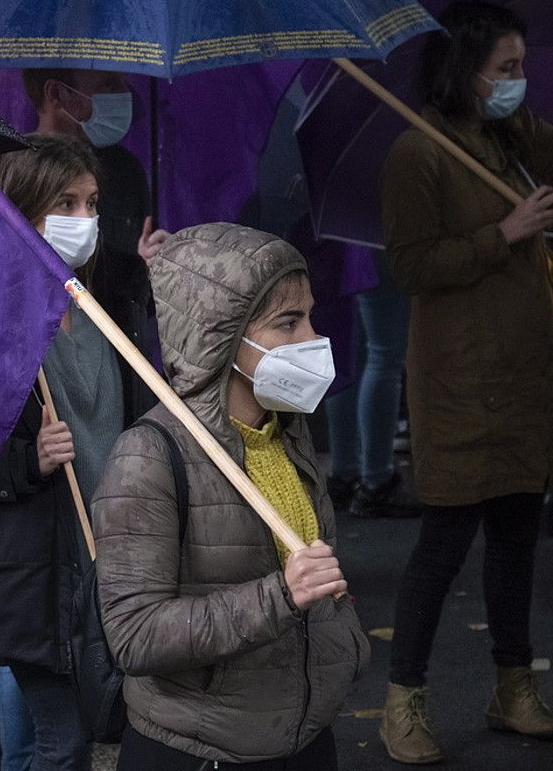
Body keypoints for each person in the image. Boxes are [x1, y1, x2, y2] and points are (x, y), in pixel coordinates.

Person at [375, 0, 553, 765]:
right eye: (505, 69)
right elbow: (410, 265)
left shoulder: (511, 136)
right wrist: (501, 234)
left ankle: (513, 687)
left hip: (526, 371)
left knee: (516, 539)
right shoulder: (419, 154)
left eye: (520, 67)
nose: (517, 82)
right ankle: (403, 700)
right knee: (443, 545)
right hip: (461, 383)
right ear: (465, 71)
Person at [93, 222, 369, 769]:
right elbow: (135, 636)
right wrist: (281, 597)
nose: (311, 337)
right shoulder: (147, 457)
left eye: (309, 315)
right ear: (222, 336)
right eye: (288, 323)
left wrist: (343, 642)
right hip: (202, 751)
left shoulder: (287, 431)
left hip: (304, 734)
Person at [0, 134, 134, 771]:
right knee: (66, 740)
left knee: (28, 745)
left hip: (95, 548)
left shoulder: (92, 299)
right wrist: (30, 460)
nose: (85, 222)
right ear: (18, 214)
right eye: (65, 205)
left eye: (92, 204)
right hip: (36, 566)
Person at [23, 68, 166, 417]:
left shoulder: (128, 173)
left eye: (92, 204)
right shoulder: (8, 170)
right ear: (56, 93)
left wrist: (142, 273)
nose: (124, 93)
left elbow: (138, 306)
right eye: (108, 85)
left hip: (113, 366)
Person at [323, 255, 417, 518]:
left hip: (342, 243)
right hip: (379, 243)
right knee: (384, 357)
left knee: (352, 358)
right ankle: (376, 480)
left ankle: (344, 472)